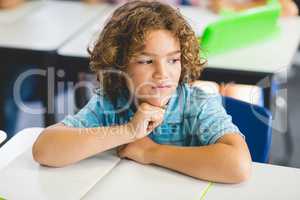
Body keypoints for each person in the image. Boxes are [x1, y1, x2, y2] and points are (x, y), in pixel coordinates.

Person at [32, 0, 251, 183]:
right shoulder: (110, 103)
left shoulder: (197, 105)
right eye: (147, 61)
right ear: (119, 65)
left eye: (173, 60)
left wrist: (150, 152)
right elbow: (45, 150)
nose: (162, 73)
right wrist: (128, 131)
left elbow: (238, 166)